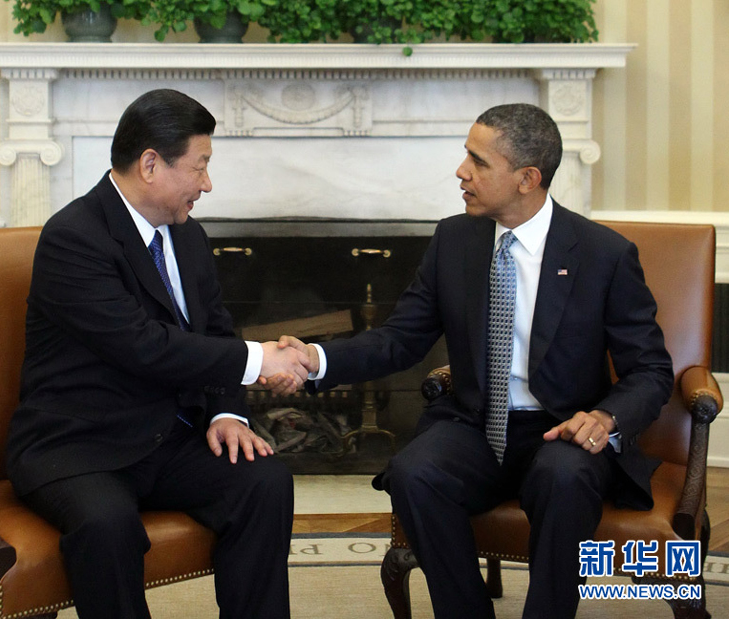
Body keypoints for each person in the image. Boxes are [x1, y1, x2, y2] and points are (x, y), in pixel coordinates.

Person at [272, 103, 674, 618]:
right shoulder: (454, 240)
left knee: (565, 477)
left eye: (478, 161)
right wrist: (316, 358)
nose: (461, 171)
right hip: (477, 426)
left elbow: (651, 370)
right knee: (414, 471)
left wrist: (605, 418)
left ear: (528, 178)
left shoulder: (603, 255)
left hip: (560, 430)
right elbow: (401, 338)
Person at [6, 88, 311, 619]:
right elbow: (143, 347)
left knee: (263, 481)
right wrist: (261, 360)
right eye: (201, 167)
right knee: (107, 525)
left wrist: (226, 410)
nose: (208, 184)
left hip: (165, 439)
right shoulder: (74, 238)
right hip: (79, 446)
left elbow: (215, 330)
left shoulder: (187, 236)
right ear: (151, 164)